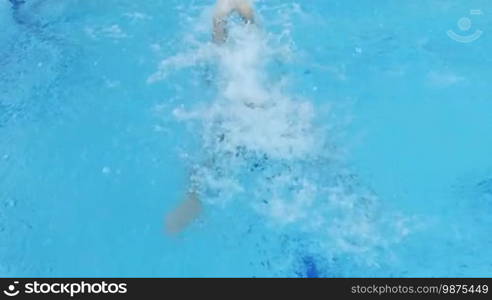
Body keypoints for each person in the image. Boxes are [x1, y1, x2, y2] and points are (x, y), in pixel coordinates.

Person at [165, 0, 256, 235]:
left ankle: (193, 199)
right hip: (255, 104)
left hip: (230, 106)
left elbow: (222, 22)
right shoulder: (244, 13)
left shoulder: (224, 9)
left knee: (209, 154)